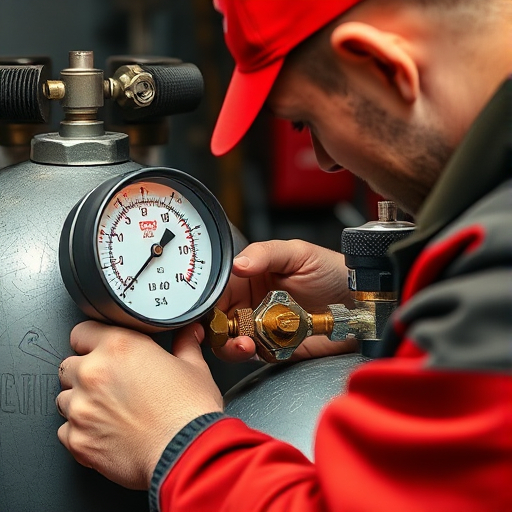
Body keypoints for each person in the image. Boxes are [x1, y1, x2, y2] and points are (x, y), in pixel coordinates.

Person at [56, 0, 512, 510]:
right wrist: (381, 305)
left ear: (382, 66)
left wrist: (174, 442)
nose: (325, 160)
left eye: (304, 121)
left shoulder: (496, 267)